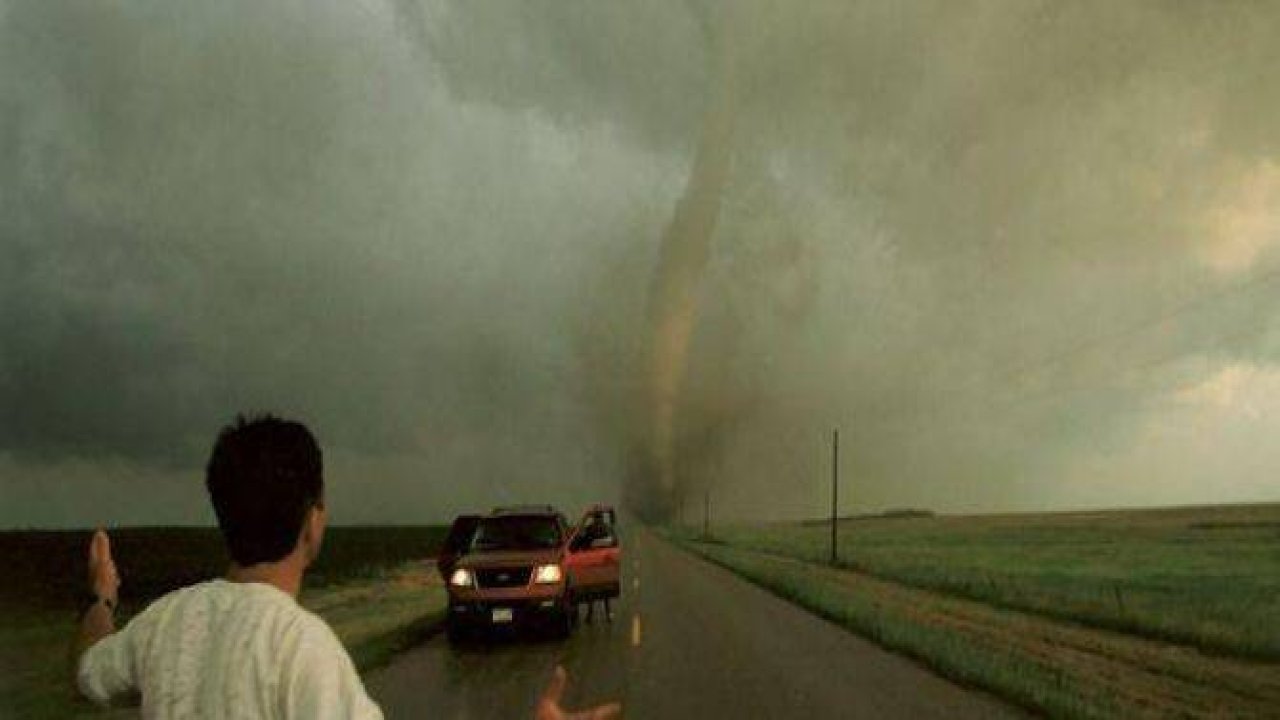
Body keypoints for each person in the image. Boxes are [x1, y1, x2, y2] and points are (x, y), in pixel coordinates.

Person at [74, 414, 621, 719]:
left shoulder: (165, 624)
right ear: (314, 524)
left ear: (221, 512)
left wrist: (101, 594)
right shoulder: (302, 650)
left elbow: (89, 670)